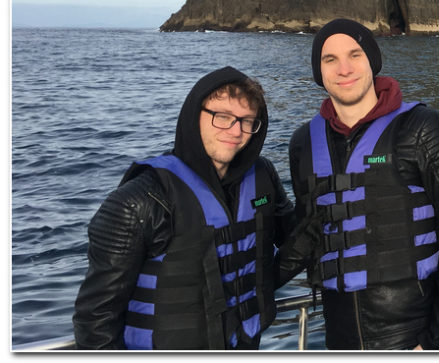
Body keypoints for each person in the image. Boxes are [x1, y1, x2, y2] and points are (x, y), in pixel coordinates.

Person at [280, 18, 439, 350]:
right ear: (319, 72)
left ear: (372, 60)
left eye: (354, 55)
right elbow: (306, 232)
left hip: (411, 336)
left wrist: (437, 342)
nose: (344, 68)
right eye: (330, 60)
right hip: (338, 337)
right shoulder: (304, 142)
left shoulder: (421, 128)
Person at [73, 66, 295, 349]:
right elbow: (95, 319)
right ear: (194, 115)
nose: (236, 131)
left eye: (247, 120)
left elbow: (295, 240)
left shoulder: (262, 177)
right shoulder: (140, 200)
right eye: (222, 117)